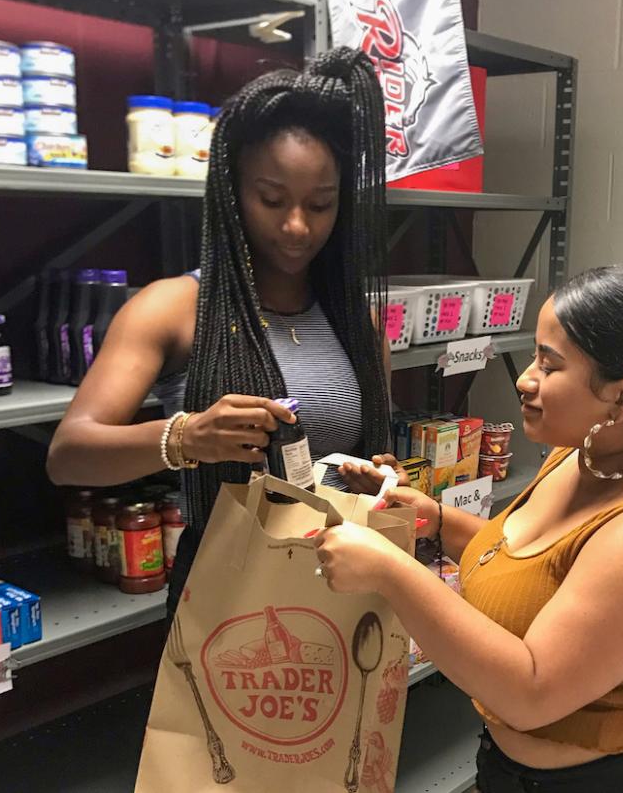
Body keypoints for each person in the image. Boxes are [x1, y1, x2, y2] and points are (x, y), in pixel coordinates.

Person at [314, 266, 623, 793]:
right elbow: (533, 570)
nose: (525, 378)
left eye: (550, 363)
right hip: (512, 770)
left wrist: (390, 572)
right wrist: (439, 520)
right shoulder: (579, 454)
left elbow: (531, 692)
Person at [47, 47, 400, 615]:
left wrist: (376, 477)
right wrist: (187, 437)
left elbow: (366, 454)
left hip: (339, 581)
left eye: (321, 204)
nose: (296, 225)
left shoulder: (358, 320)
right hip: (225, 592)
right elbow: (69, 455)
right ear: (232, 193)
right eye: (271, 199)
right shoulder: (172, 308)